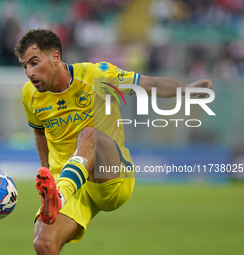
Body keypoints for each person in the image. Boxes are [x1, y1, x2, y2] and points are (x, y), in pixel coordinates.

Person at [14, 28, 213, 255]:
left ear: (56, 57)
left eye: (34, 62)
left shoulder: (95, 76)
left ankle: (58, 196)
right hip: (70, 184)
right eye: (24, 66)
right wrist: (47, 172)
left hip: (111, 176)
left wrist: (186, 90)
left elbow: (151, 84)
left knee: (90, 134)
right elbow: (40, 133)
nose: (29, 73)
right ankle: (57, 195)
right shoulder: (29, 95)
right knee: (43, 244)